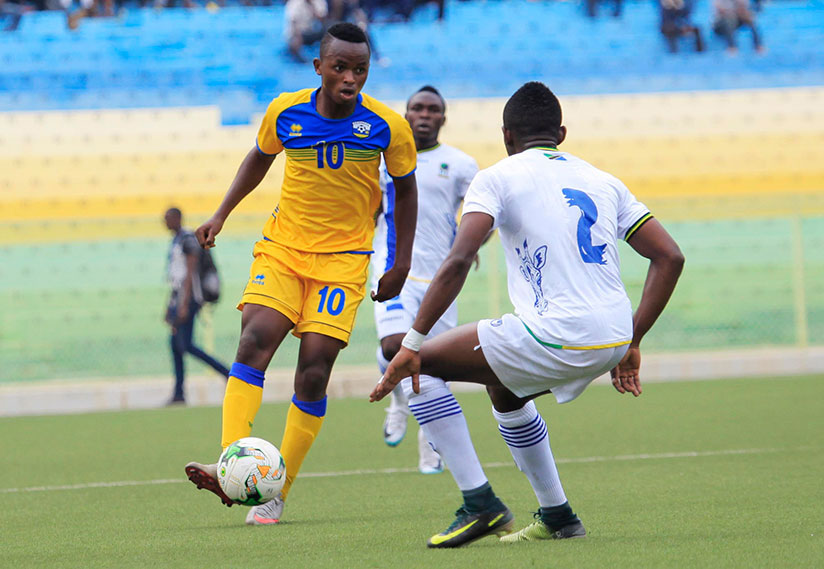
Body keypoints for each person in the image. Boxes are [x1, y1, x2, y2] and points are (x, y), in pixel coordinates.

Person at [371, 81, 684, 548]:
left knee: (413, 362)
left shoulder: (496, 176)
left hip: (557, 335)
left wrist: (413, 342)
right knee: (504, 388)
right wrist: (632, 341)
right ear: (561, 132)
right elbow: (670, 257)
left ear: (506, 137)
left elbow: (457, 260)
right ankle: (558, 515)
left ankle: (479, 502)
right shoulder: (603, 180)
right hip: (615, 335)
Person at [184, 22, 418, 527]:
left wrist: (400, 262)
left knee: (313, 371)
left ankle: (276, 491)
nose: (350, 78)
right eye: (340, 67)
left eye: (360, 69)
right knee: (254, 342)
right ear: (318, 67)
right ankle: (232, 466)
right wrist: (221, 213)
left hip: (344, 261)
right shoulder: (286, 110)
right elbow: (258, 158)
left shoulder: (386, 126)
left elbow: (406, 191)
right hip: (284, 250)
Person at [373, 85, 479, 474]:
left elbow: (482, 216)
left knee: (433, 361)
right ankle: (400, 402)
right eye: (417, 107)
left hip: (441, 277)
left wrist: (472, 245)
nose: (424, 114)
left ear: (443, 118)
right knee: (391, 346)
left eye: (433, 109)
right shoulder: (382, 162)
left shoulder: (463, 164)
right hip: (391, 267)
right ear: (405, 114)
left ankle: (428, 439)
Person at [164, 207, 230, 405]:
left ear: (177, 218)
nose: (165, 223)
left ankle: (227, 372)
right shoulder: (176, 240)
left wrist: (184, 304)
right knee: (176, 346)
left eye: (168, 218)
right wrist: (169, 305)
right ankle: (179, 393)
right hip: (179, 299)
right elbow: (176, 278)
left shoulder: (187, 239)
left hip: (189, 300)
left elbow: (190, 275)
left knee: (186, 345)